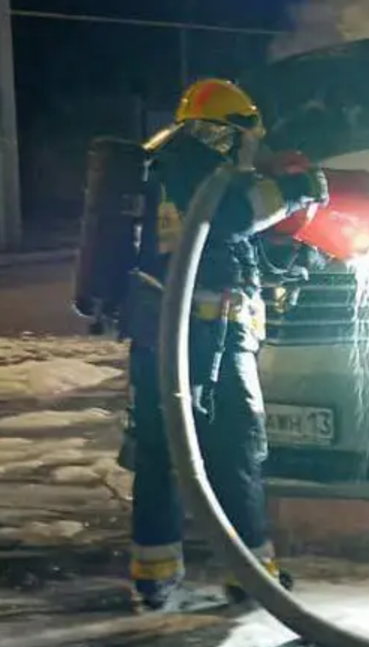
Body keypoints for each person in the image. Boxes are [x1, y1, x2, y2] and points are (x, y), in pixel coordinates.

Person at [125, 78, 328, 612]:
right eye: (246, 139)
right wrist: (300, 188)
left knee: (162, 453)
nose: (249, 151)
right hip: (206, 337)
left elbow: (236, 247)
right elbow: (234, 217)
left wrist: (298, 254)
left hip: (165, 339)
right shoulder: (195, 167)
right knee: (235, 451)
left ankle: (155, 574)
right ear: (227, 132)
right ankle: (252, 575)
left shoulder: (165, 168)